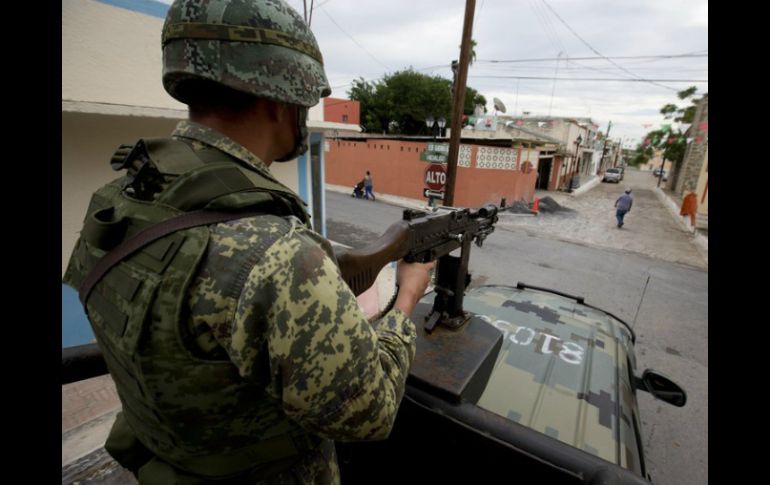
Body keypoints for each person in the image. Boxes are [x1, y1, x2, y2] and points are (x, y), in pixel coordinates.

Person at [62, 0, 434, 483]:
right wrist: (406, 295)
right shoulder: (277, 253)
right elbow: (370, 412)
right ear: (281, 97)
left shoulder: (119, 200)